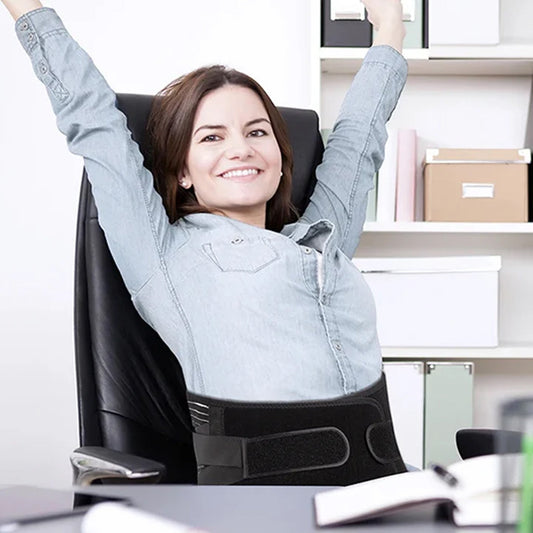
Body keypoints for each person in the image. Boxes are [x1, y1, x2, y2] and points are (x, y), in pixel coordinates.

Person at [3, 0, 409, 484]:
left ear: (282, 158)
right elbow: (95, 121)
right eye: (212, 138)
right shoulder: (166, 256)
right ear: (183, 171)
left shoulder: (322, 238)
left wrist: (390, 25)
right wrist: (27, 10)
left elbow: (360, 140)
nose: (241, 148)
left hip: (386, 491)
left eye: (257, 132)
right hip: (268, 503)